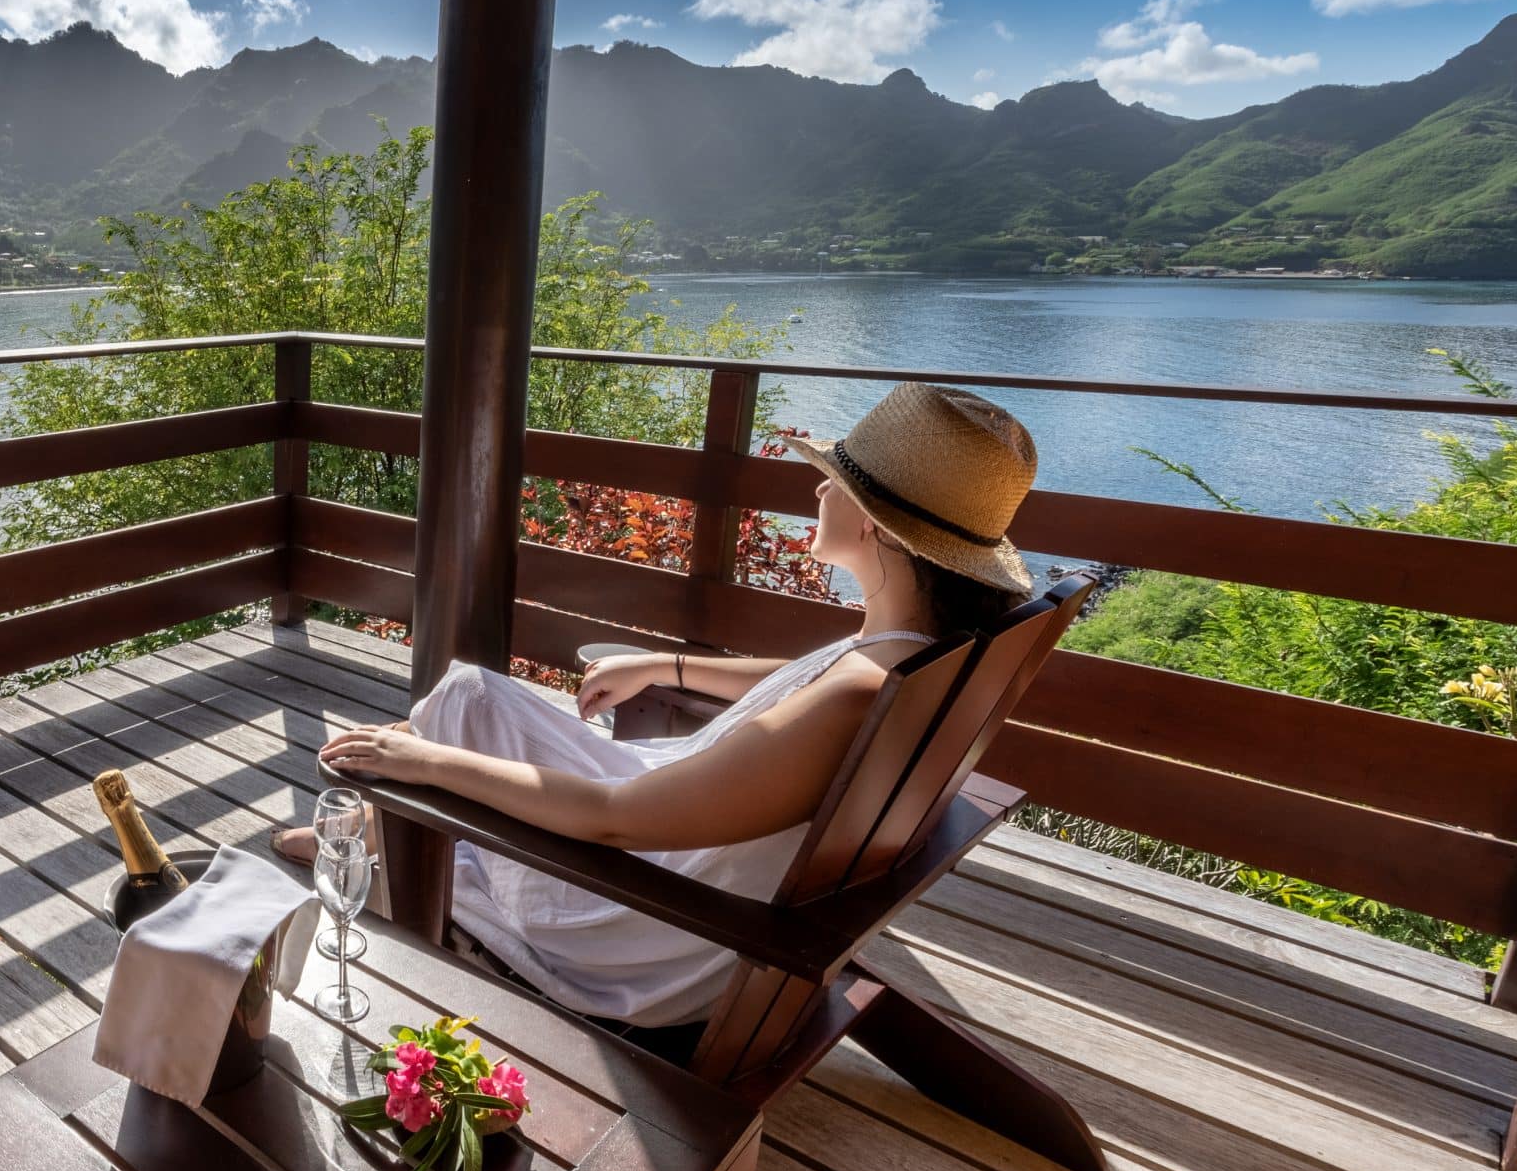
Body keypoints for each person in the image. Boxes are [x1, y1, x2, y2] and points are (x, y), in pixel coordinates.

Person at [304, 381, 1041, 1032]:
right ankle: (372, 830)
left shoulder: (859, 695)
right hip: (679, 834)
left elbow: (612, 818)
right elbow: (803, 681)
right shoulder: (915, 652)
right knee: (469, 695)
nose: (817, 491)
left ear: (877, 524)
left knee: (439, 726)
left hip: (637, 922)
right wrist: (667, 663)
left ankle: (370, 843)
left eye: (833, 481)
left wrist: (427, 762)